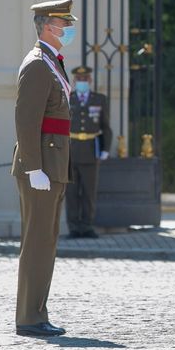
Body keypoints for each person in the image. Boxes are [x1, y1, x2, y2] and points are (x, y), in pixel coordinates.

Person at [10, 0, 76, 337]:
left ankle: (38, 313)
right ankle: (29, 318)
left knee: (46, 241)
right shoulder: (37, 64)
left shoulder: (52, 62)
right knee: (37, 242)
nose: (68, 30)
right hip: (41, 167)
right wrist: (34, 167)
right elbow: (26, 119)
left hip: (53, 164)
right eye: (64, 25)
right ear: (48, 26)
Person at [65, 66, 112, 239]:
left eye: (85, 79)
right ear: (74, 81)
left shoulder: (99, 100)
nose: (82, 82)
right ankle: (73, 227)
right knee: (71, 193)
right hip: (70, 152)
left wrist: (106, 149)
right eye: (79, 79)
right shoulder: (67, 99)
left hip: (91, 152)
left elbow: (105, 127)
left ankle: (87, 226)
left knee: (89, 193)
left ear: (90, 81)